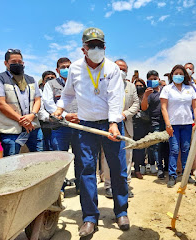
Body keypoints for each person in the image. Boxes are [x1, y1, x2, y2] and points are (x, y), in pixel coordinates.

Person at [53, 27, 129, 237]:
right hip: (86, 127)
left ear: (105, 47)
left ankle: (121, 211)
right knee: (86, 170)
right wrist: (60, 108)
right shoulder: (76, 69)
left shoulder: (112, 68)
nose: (96, 49)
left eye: (99, 45)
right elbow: (68, 95)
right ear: (83, 48)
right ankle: (89, 217)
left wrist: (114, 122)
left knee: (117, 168)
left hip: (110, 124)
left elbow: (116, 97)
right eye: (91, 46)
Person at [0, 49, 43, 156]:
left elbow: (37, 99)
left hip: (33, 127)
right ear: (6, 63)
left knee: (39, 158)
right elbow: (1, 104)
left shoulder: (31, 79)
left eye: (20, 62)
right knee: (11, 162)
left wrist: (32, 115)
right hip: (11, 130)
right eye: (14, 62)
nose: (17, 64)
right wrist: (22, 120)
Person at [102, 59, 139, 198]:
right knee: (108, 157)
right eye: (118, 68)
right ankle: (109, 185)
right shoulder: (105, 84)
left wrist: (124, 115)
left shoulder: (130, 86)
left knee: (127, 157)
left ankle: (125, 184)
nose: (121, 71)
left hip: (126, 124)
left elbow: (136, 104)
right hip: (110, 125)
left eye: (124, 69)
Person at [42, 58, 80, 193]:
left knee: (81, 158)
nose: (66, 69)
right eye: (63, 67)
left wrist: (79, 115)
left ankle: (81, 187)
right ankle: (59, 190)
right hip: (60, 128)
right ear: (57, 70)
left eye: (69, 66)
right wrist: (65, 116)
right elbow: (48, 103)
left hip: (79, 126)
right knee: (59, 160)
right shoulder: (50, 84)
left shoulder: (79, 82)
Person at [160, 64, 196, 188]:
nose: (178, 76)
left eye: (181, 74)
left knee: (186, 149)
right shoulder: (167, 89)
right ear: (172, 75)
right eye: (176, 74)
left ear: (184, 76)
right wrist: (167, 124)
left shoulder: (190, 88)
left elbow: (195, 105)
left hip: (187, 124)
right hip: (173, 125)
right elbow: (163, 107)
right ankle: (172, 175)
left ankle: (186, 174)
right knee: (174, 149)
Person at [141, 70, 165, 179]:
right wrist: (145, 96)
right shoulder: (148, 93)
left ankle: (167, 167)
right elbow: (144, 107)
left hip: (167, 122)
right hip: (154, 122)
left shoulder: (165, 91)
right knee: (156, 146)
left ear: (159, 79)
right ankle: (159, 168)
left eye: (155, 79)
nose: (153, 81)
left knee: (167, 146)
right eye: (150, 80)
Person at [132, 78, 150, 178]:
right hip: (135, 124)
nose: (139, 87)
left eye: (141, 85)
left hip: (146, 124)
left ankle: (143, 165)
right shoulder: (133, 96)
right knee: (136, 147)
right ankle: (137, 169)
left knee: (144, 148)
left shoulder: (147, 96)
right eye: (137, 86)